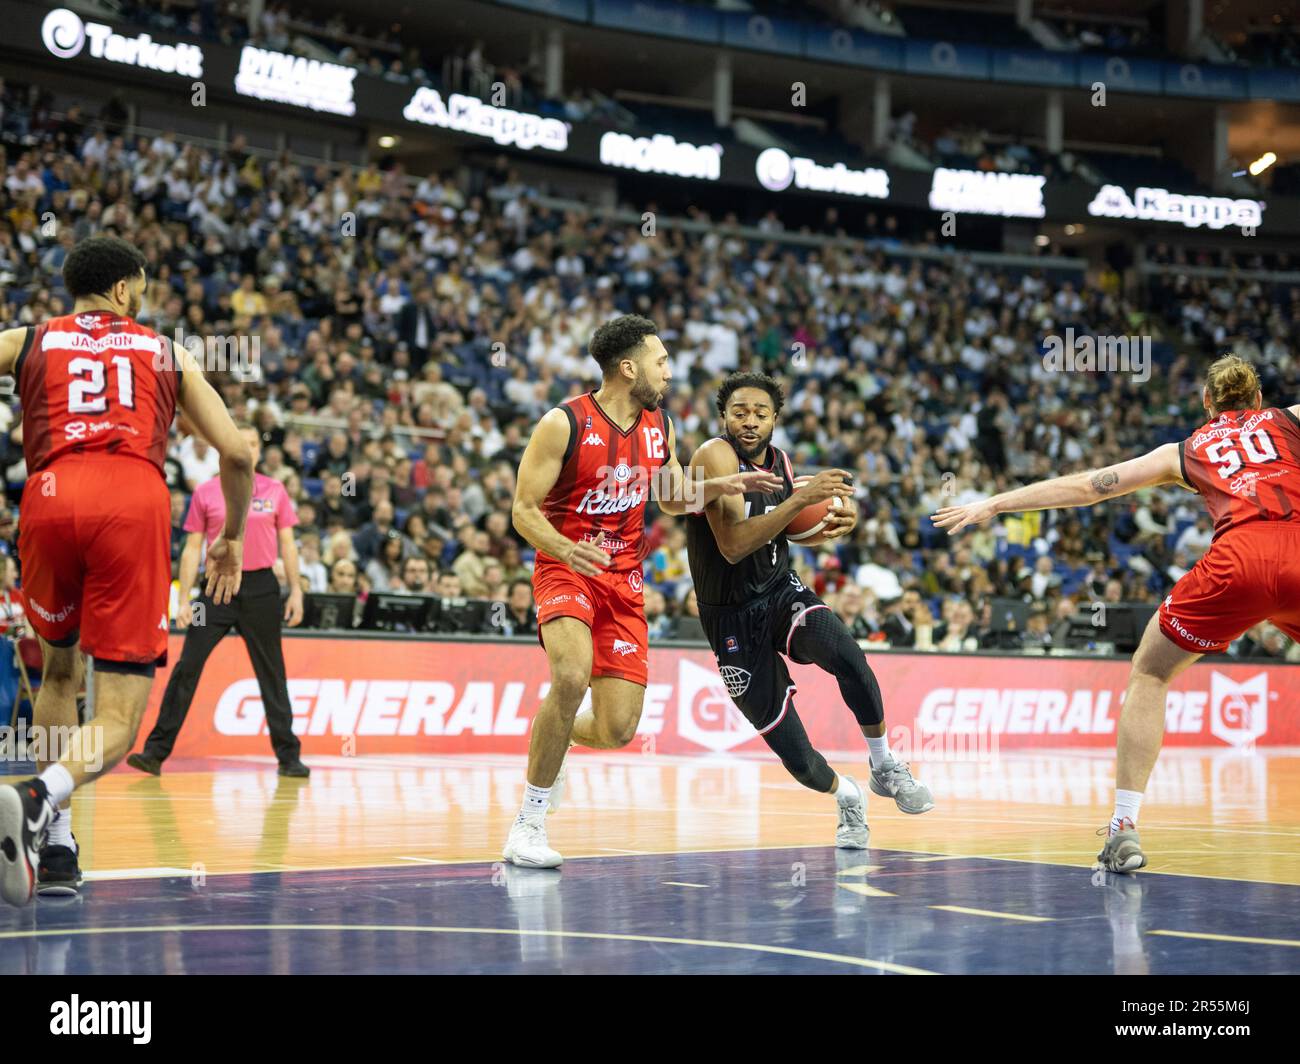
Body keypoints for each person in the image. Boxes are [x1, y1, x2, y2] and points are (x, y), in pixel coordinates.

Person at [933, 354, 1300, 875]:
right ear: (1259, 399)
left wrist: (995, 504)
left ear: (1206, 404)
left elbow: (1091, 486)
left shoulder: (1185, 449)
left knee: (1150, 672)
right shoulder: (1289, 418)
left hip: (1237, 559)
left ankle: (1124, 827)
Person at [0, 236, 252, 906]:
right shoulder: (167, 351)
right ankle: (35, 797)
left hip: (48, 497)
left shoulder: (30, 338)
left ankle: (57, 846)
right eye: (139, 288)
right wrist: (229, 535)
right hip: (130, 500)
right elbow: (236, 451)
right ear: (123, 289)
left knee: (59, 669)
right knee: (119, 716)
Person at [504, 315, 781, 867]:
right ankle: (527, 825)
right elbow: (523, 511)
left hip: (624, 580)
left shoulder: (661, 424)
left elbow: (671, 497)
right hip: (567, 564)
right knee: (569, 676)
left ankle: (554, 744)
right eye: (661, 362)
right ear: (628, 369)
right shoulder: (563, 424)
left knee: (616, 730)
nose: (669, 372)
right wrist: (562, 549)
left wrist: (721, 486)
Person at [685, 372, 933, 849]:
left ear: (775, 418)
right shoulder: (713, 457)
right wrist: (800, 498)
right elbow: (735, 545)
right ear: (723, 417)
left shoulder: (781, 461)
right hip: (731, 617)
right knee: (800, 760)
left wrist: (835, 525)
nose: (750, 421)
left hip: (781, 592)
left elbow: (787, 530)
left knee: (847, 655)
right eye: (739, 412)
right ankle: (848, 797)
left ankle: (883, 764)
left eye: (760, 413)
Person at [127, 424, 309, 779]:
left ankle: (289, 757)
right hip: (214, 589)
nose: (249, 449)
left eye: (255, 443)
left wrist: (298, 591)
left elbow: (288, 544)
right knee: (187, 666)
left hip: (260, 587)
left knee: (272, 673)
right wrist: (182, 599)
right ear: (226, 447)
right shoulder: (207, 492)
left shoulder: (275, 490)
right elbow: (192, 546)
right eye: (243, 443)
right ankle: (154, 752)